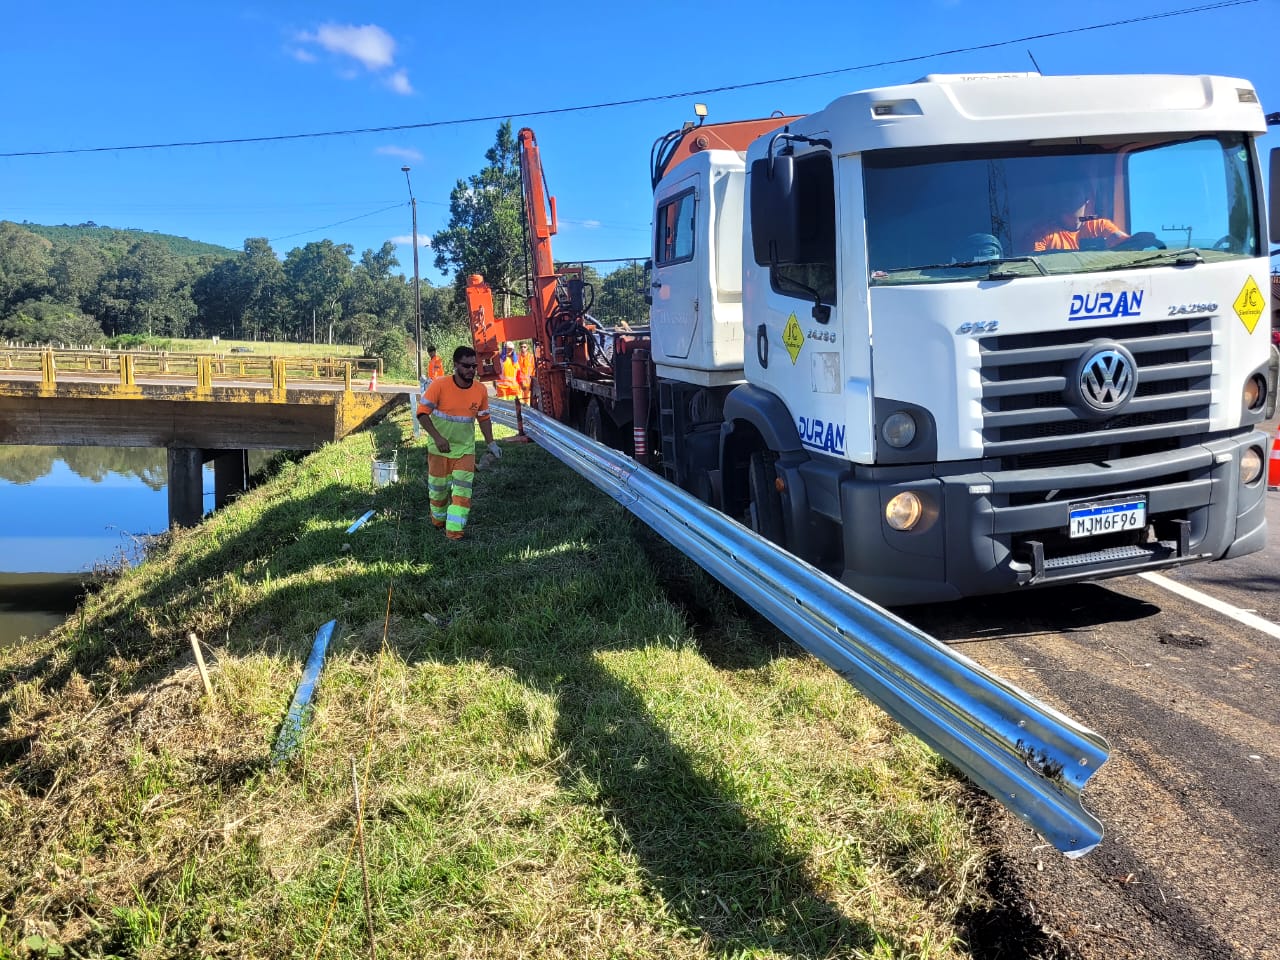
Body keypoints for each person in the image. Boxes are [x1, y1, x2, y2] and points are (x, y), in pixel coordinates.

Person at [416, 345, 501, 542]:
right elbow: (421, 414)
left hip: (464, 450)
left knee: (462, 493)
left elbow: (484, 418)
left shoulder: (480, 390)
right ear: (455, 365)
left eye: (474, 366)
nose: (471, 370)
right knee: (438, 491)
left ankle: (454, 533)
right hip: (439, 450)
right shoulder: (439, 386)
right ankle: (438, 521)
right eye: (467, 366)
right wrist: (438, 438)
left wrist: (491, 443)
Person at [1026, 183, 1129, 252]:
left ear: (1086, 200)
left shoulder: (1101, 227)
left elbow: (1128, 245)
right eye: (1062, 195)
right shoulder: (1042, 233)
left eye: (1072, 194)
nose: (1066, 199)